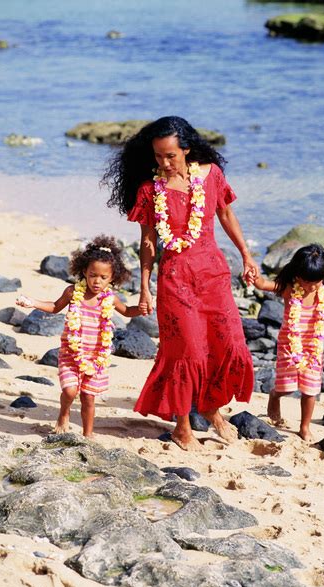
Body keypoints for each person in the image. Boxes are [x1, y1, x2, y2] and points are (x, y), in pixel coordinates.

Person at [102, 115, 259, 451]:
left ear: (187, 150)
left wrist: (246, 255)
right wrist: (144, 285)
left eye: (171, 155)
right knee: (185, 351)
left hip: (213, 274)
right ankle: (182, 426)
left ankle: (210, 408)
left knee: (227, 344)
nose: (165, 162)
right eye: (159, 156)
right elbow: (147, 242)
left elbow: (227, 215)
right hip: (174, 279)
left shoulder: (212, 176)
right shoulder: (149, 190)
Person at [16, 235, 142, 437]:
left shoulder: (109, 298)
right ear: (84, 271)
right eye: (93, 275)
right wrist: (33, 302)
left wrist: (142, 309)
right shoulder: (73, 292)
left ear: (112, 278)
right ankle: (63, 414)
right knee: (70, 391)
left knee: (88, 398)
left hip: (95, 358)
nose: (97, 281)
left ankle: (88, 435)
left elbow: (127, 311)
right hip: (71, 354)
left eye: (103, 278)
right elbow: (55, 307)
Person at [253, 243, 324, 442]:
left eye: (316, 282)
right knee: (287, 387)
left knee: (311, 390)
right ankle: (275, 395)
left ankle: (304, 426)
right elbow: (264, 284)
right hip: (289, 346)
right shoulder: (289, 289)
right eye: (308, 283)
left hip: (313, 347)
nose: (312, 287)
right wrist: (254, 276)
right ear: (297, 275)